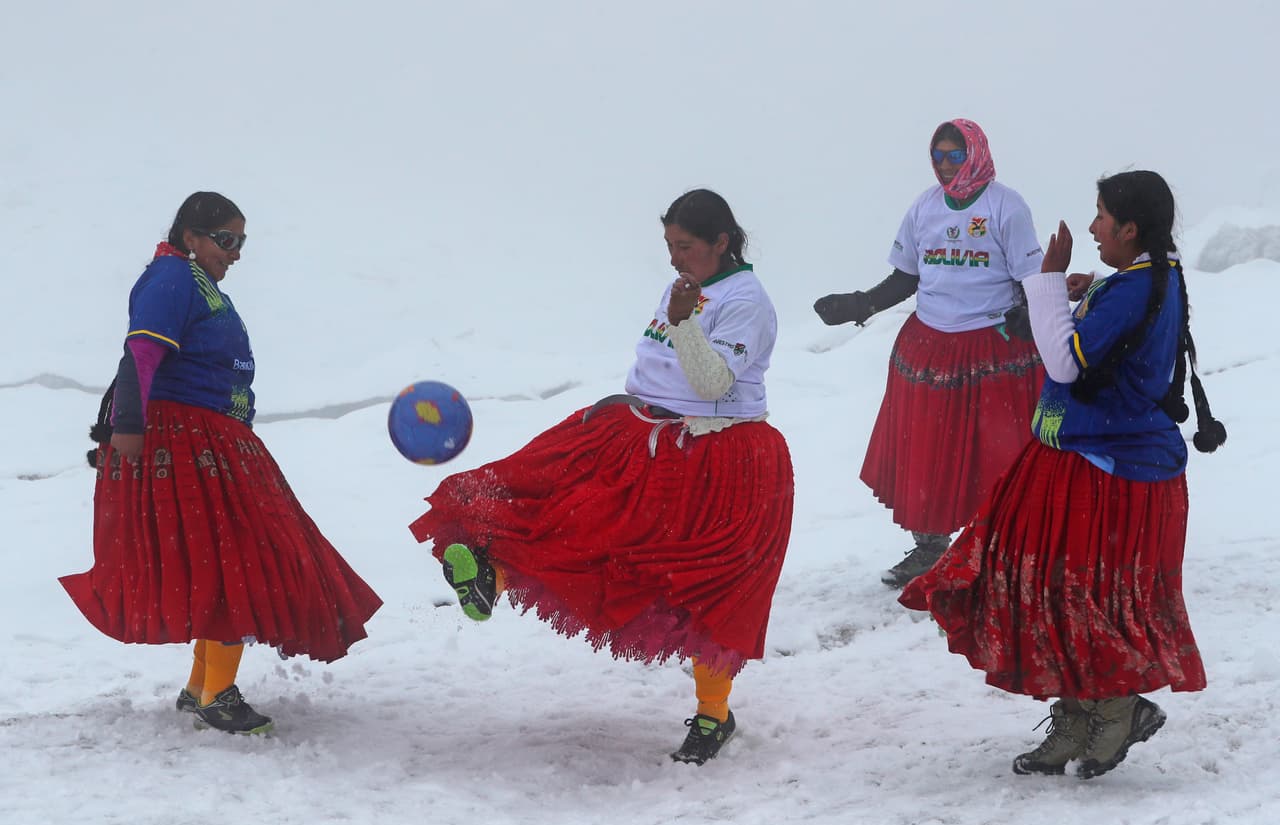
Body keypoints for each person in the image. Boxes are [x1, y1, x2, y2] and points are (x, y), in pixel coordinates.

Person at [409, 188, 794, 765]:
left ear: (721, 242)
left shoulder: (748, 301)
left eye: (684, 246)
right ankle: (493, 575)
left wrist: (685, 324)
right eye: (668, 245)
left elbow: (712, 382)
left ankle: (715, 715)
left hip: (722, 456)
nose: (673, 259)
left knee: (708, 587)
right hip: (648, 431)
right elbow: (659, 358)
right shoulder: (683, 288)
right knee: (567, 510)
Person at [901, 170, 1226, 779]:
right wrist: (1087, 295)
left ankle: (1114, 707)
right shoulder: (1146, 277)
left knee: (1076, 592)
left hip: (1109, 463)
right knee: (1050, 586)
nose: (1094, 225)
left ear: (1131, 229)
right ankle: (1078, 716)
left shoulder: (1134, 289)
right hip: (1078, 453)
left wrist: (1047, 282)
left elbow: (1065, 364)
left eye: (1102, 215)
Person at [60, 191, 383, 735]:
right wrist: (129, 431)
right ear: (191, 236)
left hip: (211, 438)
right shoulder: (172, 278)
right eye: (226, 240)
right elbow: (140, 352)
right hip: (187, 439)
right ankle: (217, 694)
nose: (235, 254)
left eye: (241, 243)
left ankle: (201, 686)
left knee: (223, 560)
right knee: (241, 554)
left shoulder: (192, 283)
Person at [814, 118, 1045, 588]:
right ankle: (931, 549)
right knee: (928, 450)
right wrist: (862, 303)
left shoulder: (1007, 207)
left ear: (975, 154)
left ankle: (1000, 548)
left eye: (954, 155)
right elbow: (906, 276)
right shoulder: (924, 208)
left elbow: (1030, 279)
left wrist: (1027, 313)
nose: (943, 165)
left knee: (996, 451)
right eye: (936, 156)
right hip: (930, 348)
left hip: (991, 348)